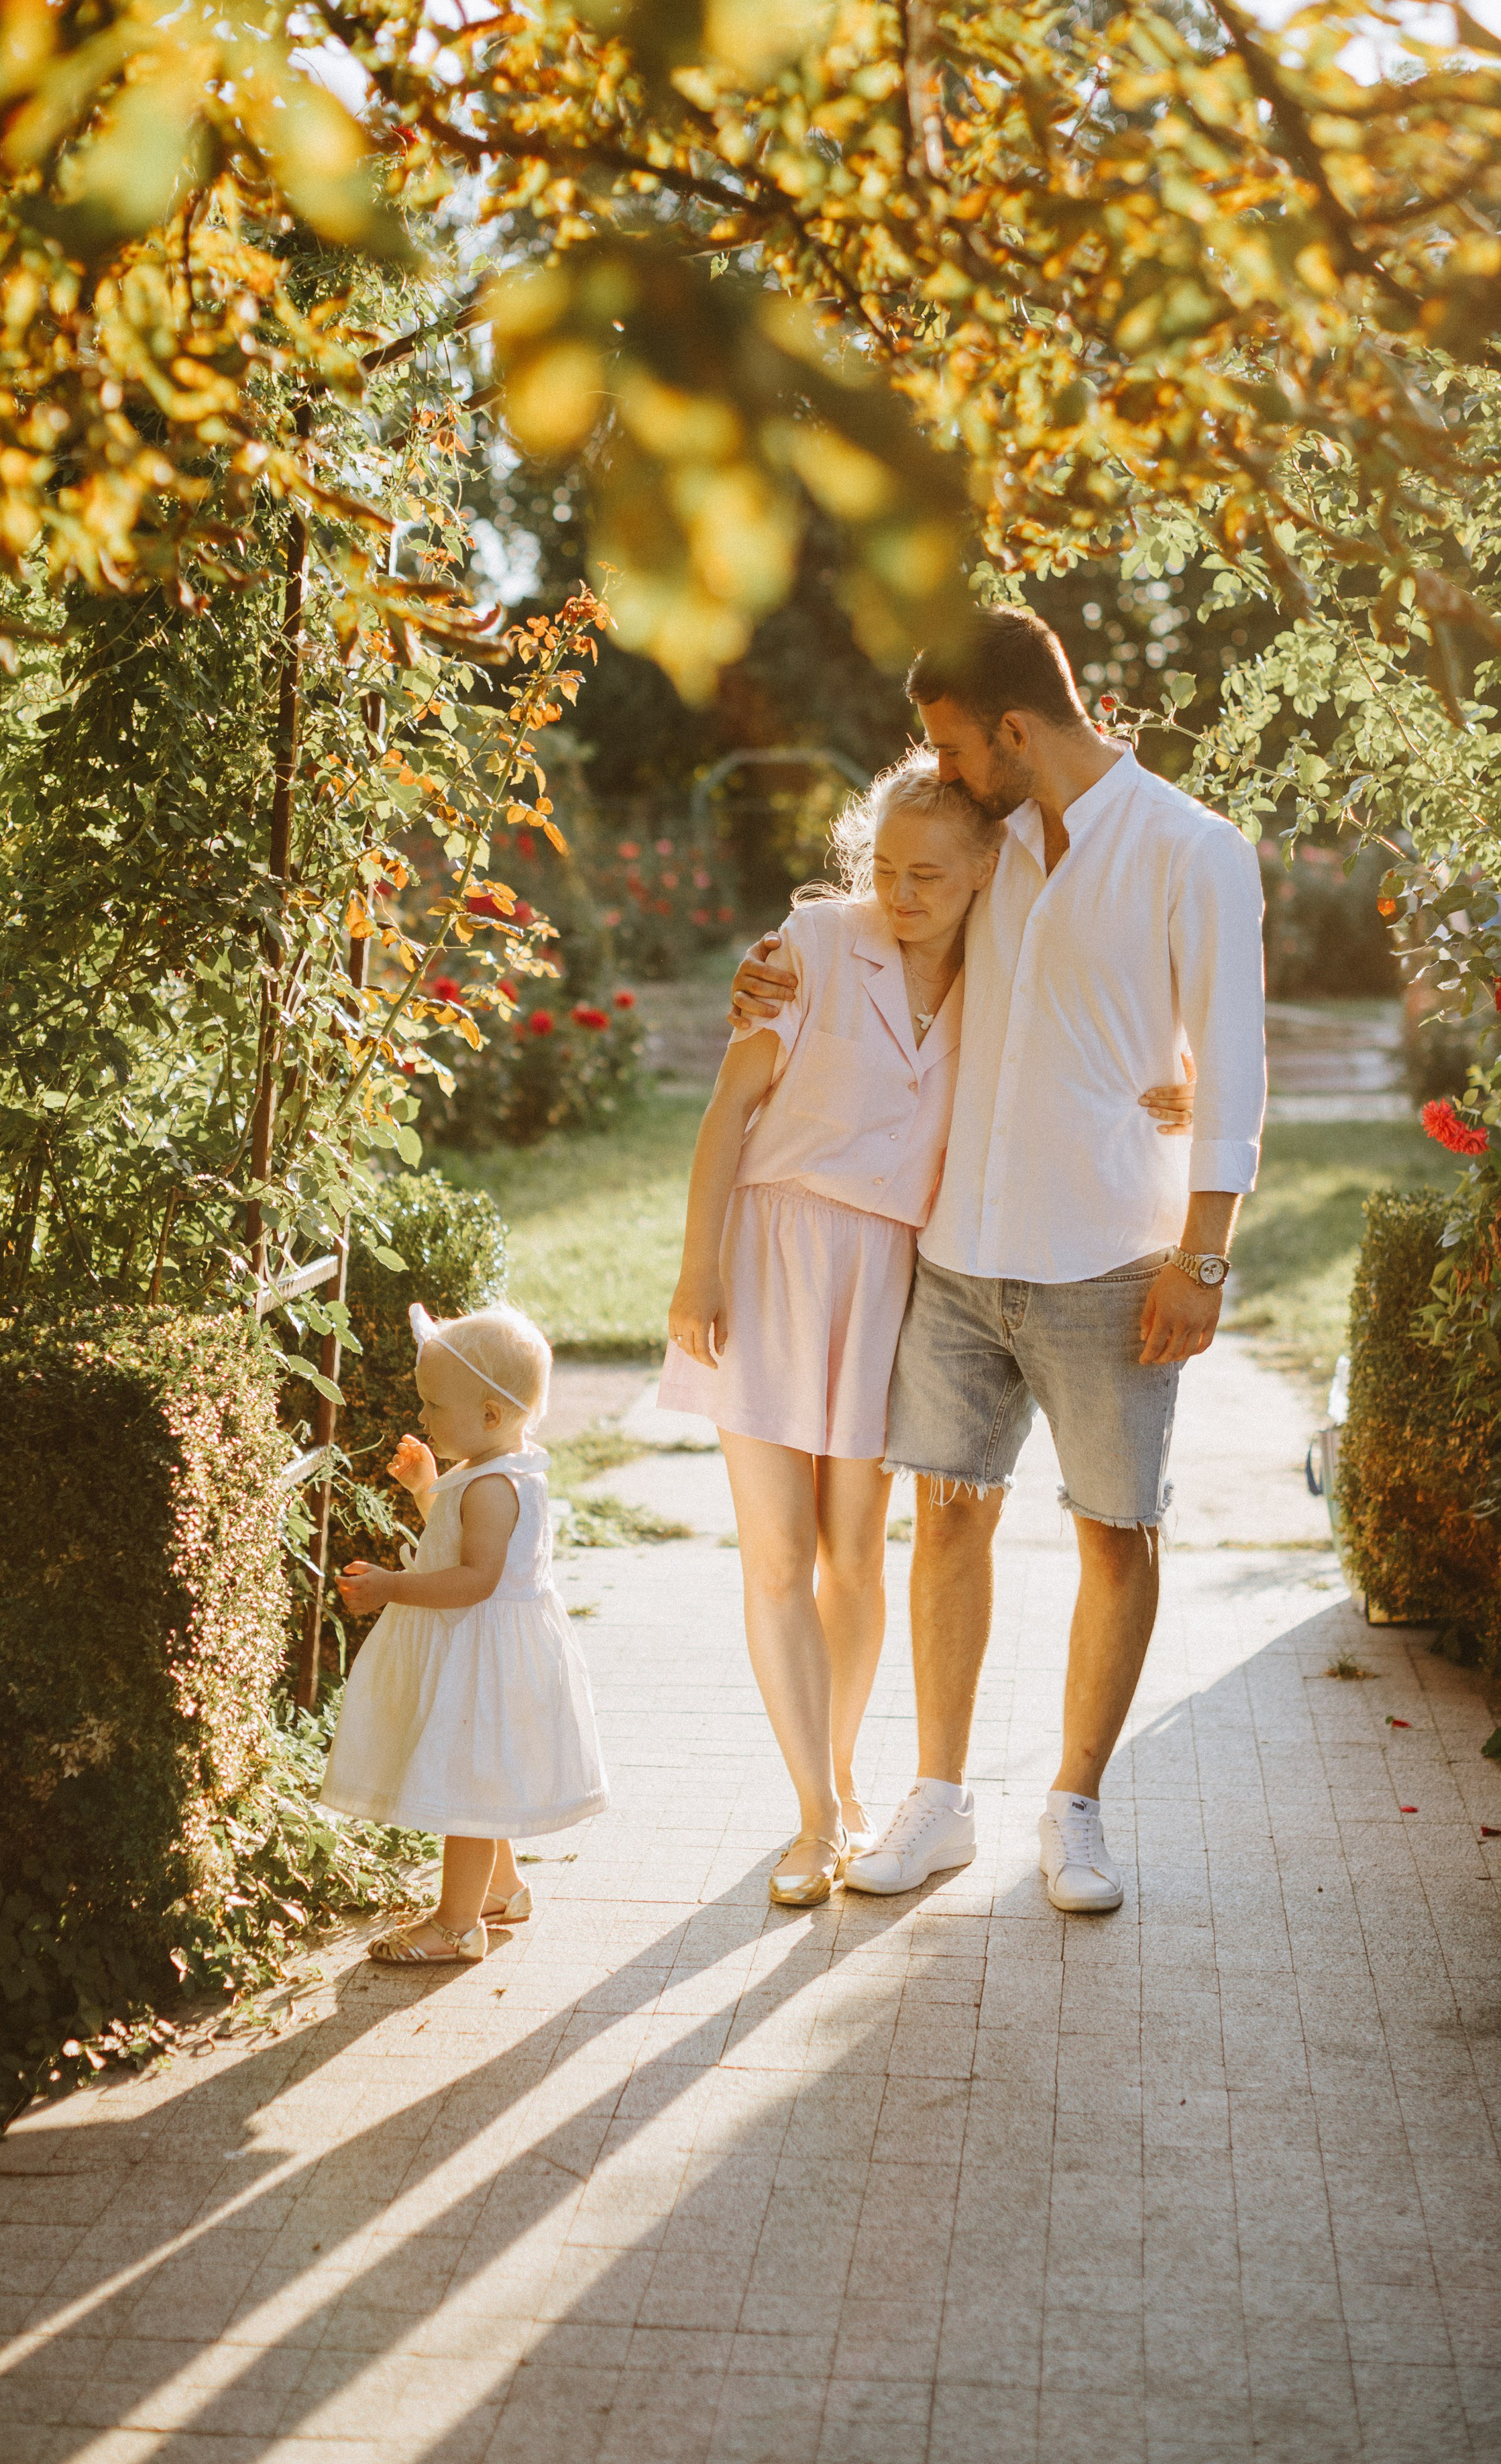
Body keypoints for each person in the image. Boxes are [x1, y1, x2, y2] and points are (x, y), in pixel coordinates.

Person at [731, 604, 1266, 1915]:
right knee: (946, 1514)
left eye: (953, 745)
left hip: (1112, 1259)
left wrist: (1202, 1259)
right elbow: (888, 911)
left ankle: (1074, 1807)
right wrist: (778, 968)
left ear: (1014, 729)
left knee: (1115, 1532)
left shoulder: (1192, 851)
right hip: (960, 1254)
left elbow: (1232, 1060)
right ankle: (939, 1798)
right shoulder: (992, 839)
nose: (944, 768)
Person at [664, 761, 1193, 1909]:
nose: (902, 894)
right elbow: (729, 1112)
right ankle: (816, 1816)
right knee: (776, 1554)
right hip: (769, 1256)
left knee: (855, 1553)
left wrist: (1177, 1077)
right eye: (888, 869)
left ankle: (851, 1787)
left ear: (985, 870)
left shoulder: (1002, 970)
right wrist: (697, 1267)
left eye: (930, 876)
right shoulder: (811, 946)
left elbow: (1109, 1020)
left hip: (888, 1278)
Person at [321, 1301, 608, 1961]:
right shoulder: (490, 1470)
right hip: (486, 1650)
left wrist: (393, 1586)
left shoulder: (493, 1488)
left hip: (486, 1657)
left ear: (490, 1415)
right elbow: (457, 1540)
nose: (422, 1418)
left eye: (433, 1405)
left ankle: (456, 1927)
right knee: (482, 1778)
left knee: (467, 1788)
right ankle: (501, 1890)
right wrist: (427, 1488)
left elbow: (475, 1578)